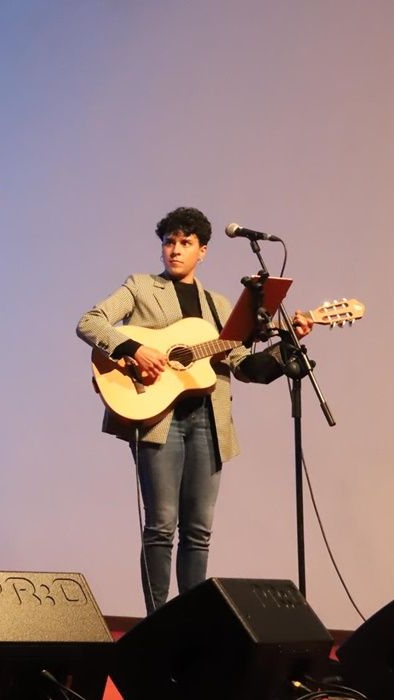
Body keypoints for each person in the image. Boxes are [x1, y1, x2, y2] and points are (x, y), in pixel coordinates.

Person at [76, 206, 313, 614]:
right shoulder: (141, 287)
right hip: (158, 419)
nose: (175, 250)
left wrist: (287, 345)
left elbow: (247, 368)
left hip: (209, 421)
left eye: (186, 243)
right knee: (161, 526)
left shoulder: (219, 306)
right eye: (169, 241)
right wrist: (136, 348)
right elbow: (91, 322)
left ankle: (190, 623)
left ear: (203, 251)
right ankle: (156, 623)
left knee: (199, 531)